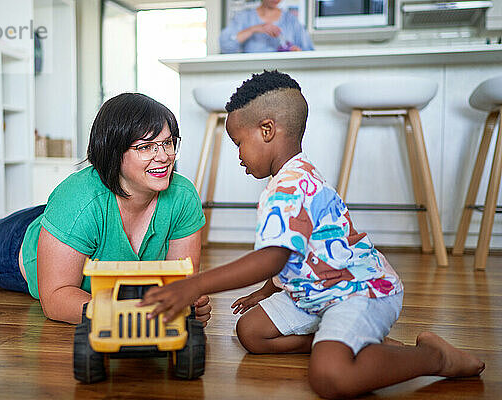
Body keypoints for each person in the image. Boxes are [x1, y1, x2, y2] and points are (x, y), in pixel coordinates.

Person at [139, 71, 485, 399]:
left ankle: (433, 358)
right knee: (251, 331)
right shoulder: (293, 176)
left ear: (267, 130)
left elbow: (273, 257)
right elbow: (300, 255)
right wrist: (265, 292)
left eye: (239, 143)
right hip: (317, 294)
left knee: (329, 377)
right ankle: (348, 342)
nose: (239, 155)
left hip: (358, 290)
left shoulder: (289, 187)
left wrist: (195, 284)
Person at [0, 93, 212, 326]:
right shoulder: (78, 199)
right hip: (18, 248)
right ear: (112, 150)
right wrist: (125, 315)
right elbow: (56, 299)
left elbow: (180, 283)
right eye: (146, 147)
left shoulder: (182, 196)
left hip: (70, 225)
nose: (163, 157)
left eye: (168, 143)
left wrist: (185, 305)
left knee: (76, 219)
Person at [220, 0, 314, 54]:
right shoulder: (244, 18)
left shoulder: (291, 20)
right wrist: (253, 29)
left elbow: (309, 52)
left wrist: (297, 51)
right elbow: (226, 46)